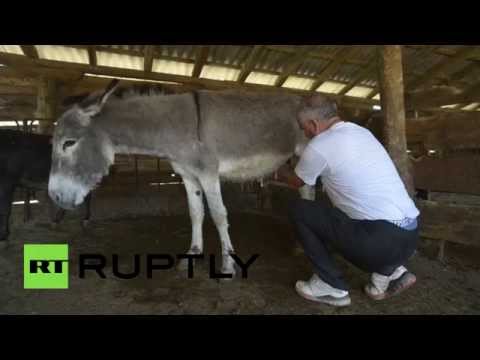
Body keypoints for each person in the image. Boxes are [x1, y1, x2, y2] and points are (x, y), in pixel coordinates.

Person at [276, 94, 420, 307]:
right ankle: (390, 273)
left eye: (302, 127)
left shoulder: (320, 145)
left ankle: (331, 285)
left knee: (299, 209)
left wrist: (278, 170)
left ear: (314, 124)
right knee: (343, 209)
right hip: (410, 237)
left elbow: (298, 182)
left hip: (379, 242)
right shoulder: (362, 133)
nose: (303, 133)